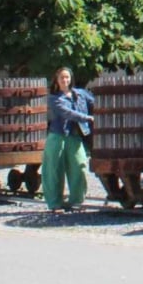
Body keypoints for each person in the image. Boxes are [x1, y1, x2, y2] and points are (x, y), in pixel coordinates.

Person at [43, 66, 95, 212]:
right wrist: (88, 118)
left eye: (67, 77)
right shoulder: (54, 98)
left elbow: (96, 103)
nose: (65, 80)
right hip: (57, 136)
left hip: (75, 136)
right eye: (62, 78)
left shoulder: (81, 94)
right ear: (57, 80)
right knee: (54, 170)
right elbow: (67, 113)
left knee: (80, 167)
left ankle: (76, 201)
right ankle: (54, 204)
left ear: (71, 79)